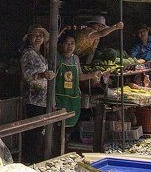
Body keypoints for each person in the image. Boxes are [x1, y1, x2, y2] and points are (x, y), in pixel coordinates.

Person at [19, 26, 53, 163]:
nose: (38, 38)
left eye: (41, 35)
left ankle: (36, 157)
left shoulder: (39, 54)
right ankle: (31, 159)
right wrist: (43, 74)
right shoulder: (28, 53)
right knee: (34, 131)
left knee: (38, 130)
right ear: (29, 38)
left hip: (42, 98)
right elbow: (27, 76)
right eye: (35, 35)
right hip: (33, 98)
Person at [55, 33, 99, 129]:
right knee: (57, 127)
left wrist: (92, 75)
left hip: (73, 99)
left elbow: (79, 77)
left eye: (72, 43)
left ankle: (65, 142)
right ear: (61, 45)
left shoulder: (75, 59)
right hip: (59, 98)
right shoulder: (56, 58)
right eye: (67, 43)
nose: (70, 46)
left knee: (70, 127)